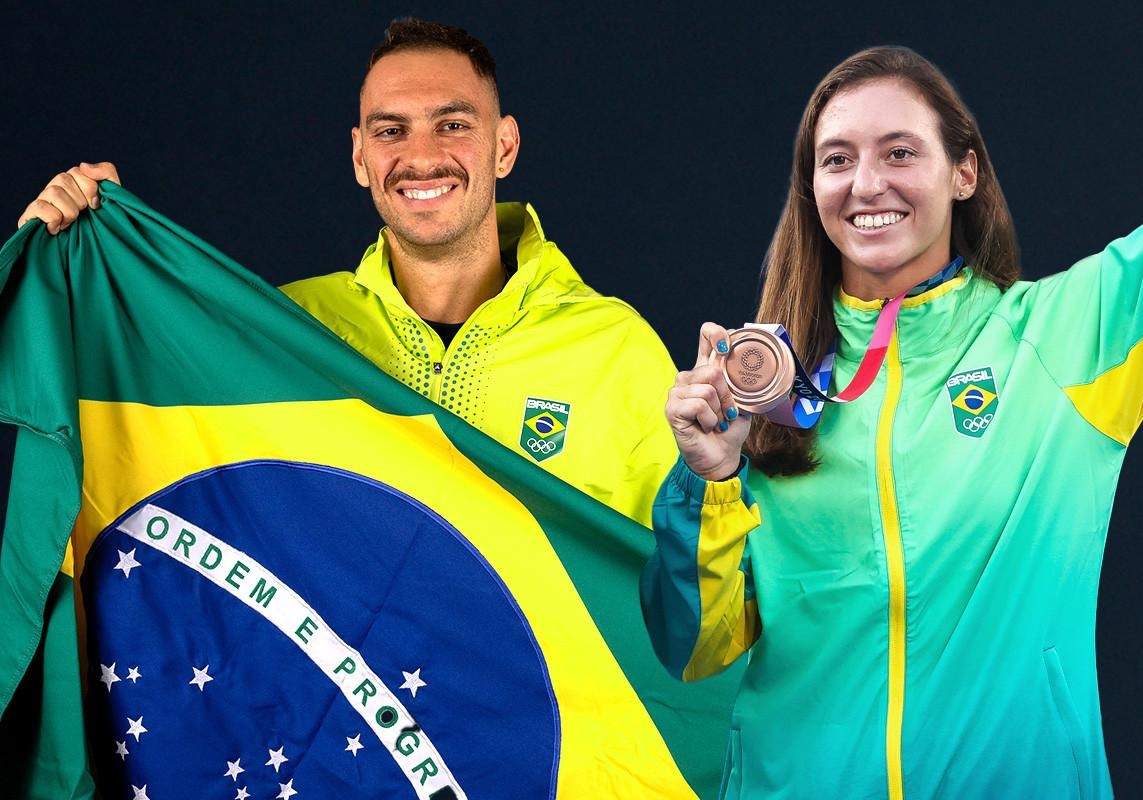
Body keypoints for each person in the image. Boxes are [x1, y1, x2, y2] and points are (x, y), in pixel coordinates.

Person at [641, 46, 1143, 799]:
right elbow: (693, 650)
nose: (867, 183)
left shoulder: (1061, 340)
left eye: (899, 152)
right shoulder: (762, 395)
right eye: (836, 159)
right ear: (811, 188)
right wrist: (709, 480)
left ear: (963, 173)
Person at [17, 18, 677, 527]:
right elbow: (124, 424)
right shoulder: (286, 335)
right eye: (391, 132)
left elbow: (699, 602)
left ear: (503, 145)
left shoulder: (617, 352)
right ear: (360, 158)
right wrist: (65, 271)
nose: (421, 156)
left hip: (547, 706)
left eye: (452, 124)